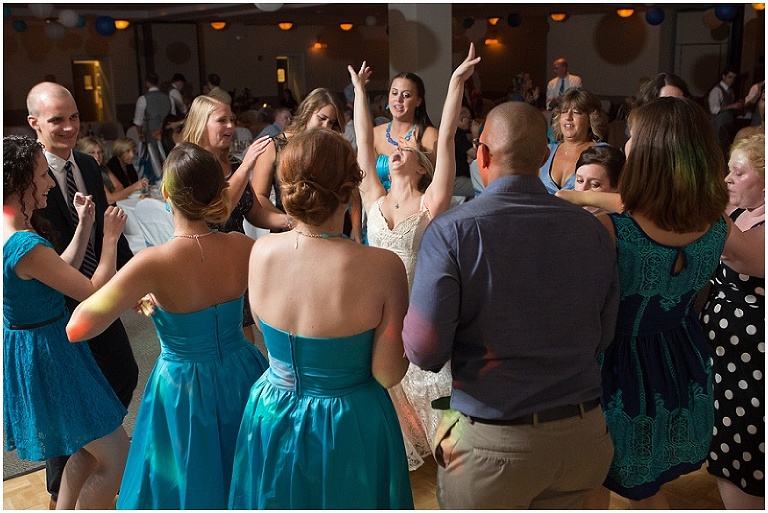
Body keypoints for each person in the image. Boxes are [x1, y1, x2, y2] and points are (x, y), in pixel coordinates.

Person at [402, 101, 618, 508]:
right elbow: (603, 335)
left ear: (482, 155)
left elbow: (424, 351)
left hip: (494, 442)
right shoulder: (593, 231)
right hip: (582, 436)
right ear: (543, 158)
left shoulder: (453, 231)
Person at [67, 142, 269, 509]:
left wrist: (142, 298)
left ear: (167, 194)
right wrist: (155, 308)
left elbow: (78, 327)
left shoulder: (153, 262)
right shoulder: (242, 246)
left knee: (188, 481)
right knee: (242, 477)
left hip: (185, 385)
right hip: (244, 372)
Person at [228, 128, 413, 509]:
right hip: (349, 422)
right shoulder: (382, 267)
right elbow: (387, 373)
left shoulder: (261, 252)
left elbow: (264, 329)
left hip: (272, 411)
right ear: (349, 191)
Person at [572, 97, 730, 509]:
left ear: (649, 155)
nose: (624, 148)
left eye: (632, 140)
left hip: (618, 369)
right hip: (681, 356)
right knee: (645, 488)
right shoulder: (716, 223)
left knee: (593, 482)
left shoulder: (612, 229)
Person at [350, 44, 479, 471]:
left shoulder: (431, 203)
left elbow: (444, 137)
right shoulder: (372, 197)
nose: (397, 149)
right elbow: (365, 146)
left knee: (435, 389)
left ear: (422, 168)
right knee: (385, 387)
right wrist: (357, 91)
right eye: (394, 150)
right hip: (376, 311)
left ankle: (457, 464)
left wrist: (456, 82)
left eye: (407, 150)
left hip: (419, 311)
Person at [26, 81, 138, 508]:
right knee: (63, 406)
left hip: (98, 296)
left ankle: (86, 455)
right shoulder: (27, 179)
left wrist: (133, 281)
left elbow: (114, 229)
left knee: (124, 372)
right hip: (57, 306)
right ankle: (60, 491)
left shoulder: (89, 167)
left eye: (74, 117)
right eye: (58, 120)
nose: (70, 127)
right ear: (35, 124)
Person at [3, 135, 130, 510]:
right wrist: (110, 240)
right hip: (49, 356)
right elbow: (90, 289)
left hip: (42, 349)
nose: (48, 183)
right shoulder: (24, 245)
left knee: (88, 449)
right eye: (42, 176)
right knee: (117, 457)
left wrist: (84, 224)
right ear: (20, 182)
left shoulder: (12, 232)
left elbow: (59, 274)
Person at [182, 94, 289, 342]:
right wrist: (248, 165)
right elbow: (219, 211)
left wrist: (290, 222)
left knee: (245, 339)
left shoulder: (232, 162)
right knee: (220, 340)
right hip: (205, 262)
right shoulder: (190, 162)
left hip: (236, 261)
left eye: (232, 119)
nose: (231, 126)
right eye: (222, 120)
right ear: (201, 123)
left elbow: (255, 212)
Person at [700, 134, 765, 510]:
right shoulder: (738, 212)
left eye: (738, 172)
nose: (726, 179)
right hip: (725, 365)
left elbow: (743, 256)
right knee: (726, 462)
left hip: (754, 371)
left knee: (745, 462)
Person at [250, 87, 363, 242]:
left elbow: (353, 191)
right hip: (288, 231)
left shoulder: (333, 147)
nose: (326, 127)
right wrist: (286, 220)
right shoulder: (275, 146)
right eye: (321, 118)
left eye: (331, 122)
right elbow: (259, 196)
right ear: (308, 112)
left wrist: (356, 228)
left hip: (330, 232)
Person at [373, 71, 438, 192]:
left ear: (418, 101)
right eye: (394, 93)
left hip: (416, 206)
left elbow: (437, 182)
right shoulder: (375, 134)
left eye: (406, 95)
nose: (398, 99)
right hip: (379, 204)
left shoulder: (429, 135)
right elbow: (364, 176)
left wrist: (418, 156)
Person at [539, 87, 609, 194]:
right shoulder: (545, 151)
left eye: (576, 112)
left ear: (590, 119)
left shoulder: (603, 152)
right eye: (564, 111)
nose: (568, 117)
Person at [709, 66, 744, 155]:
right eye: (729, 77)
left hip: (727, 126)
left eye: (734, 78)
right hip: (718, 126)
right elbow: (714, 109)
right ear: (723, 77)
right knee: (718, 150)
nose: (732, 80)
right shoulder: (717, 90)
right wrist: (732, 106)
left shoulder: (730, 91)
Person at [103, 137, 149, 204]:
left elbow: (134, 181)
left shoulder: (127, 164)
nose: (132, 155)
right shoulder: (113, 165)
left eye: (133, 151)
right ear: (119, 151)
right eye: (127, 151)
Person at [454, 103, 476, 198]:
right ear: (461, 119)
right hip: (455, 180)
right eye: (469, 119)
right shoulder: (457, 135)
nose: (470, 122)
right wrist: (475, 134)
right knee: (484, 188)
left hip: (458, 177)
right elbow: (476, 155)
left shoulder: (457, 133)